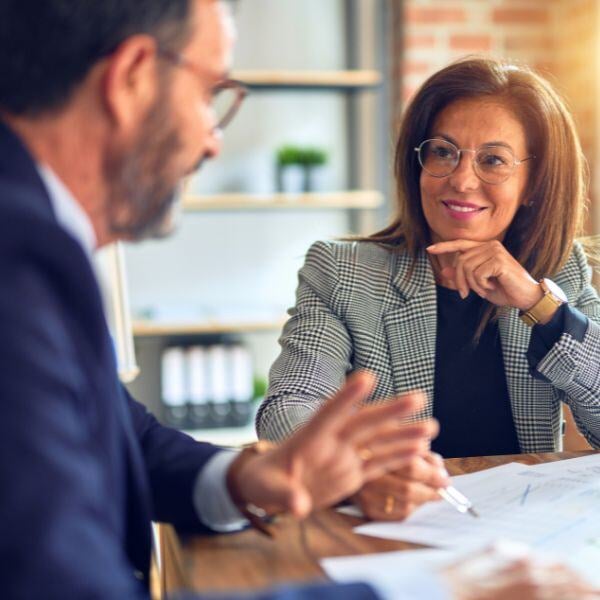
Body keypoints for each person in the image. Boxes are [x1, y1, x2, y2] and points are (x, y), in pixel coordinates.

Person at [0, 2, 594, 598]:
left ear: (533, 184)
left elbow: (124, 436)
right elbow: (61, 573)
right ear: (130, 76)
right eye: (211, 94)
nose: (213, 142)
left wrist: (252, 475)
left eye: (492, 160)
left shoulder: (38, 248)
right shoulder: (22, 261)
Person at [257, 57, 600, 522]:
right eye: (443, 151)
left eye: (493, 160)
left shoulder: (560, 275)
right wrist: (360, 470)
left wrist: (538, 304)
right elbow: (288, 408)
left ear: (533, 184)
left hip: (521, 533)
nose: (461, 179)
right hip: (391, 528)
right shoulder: (342, 272)